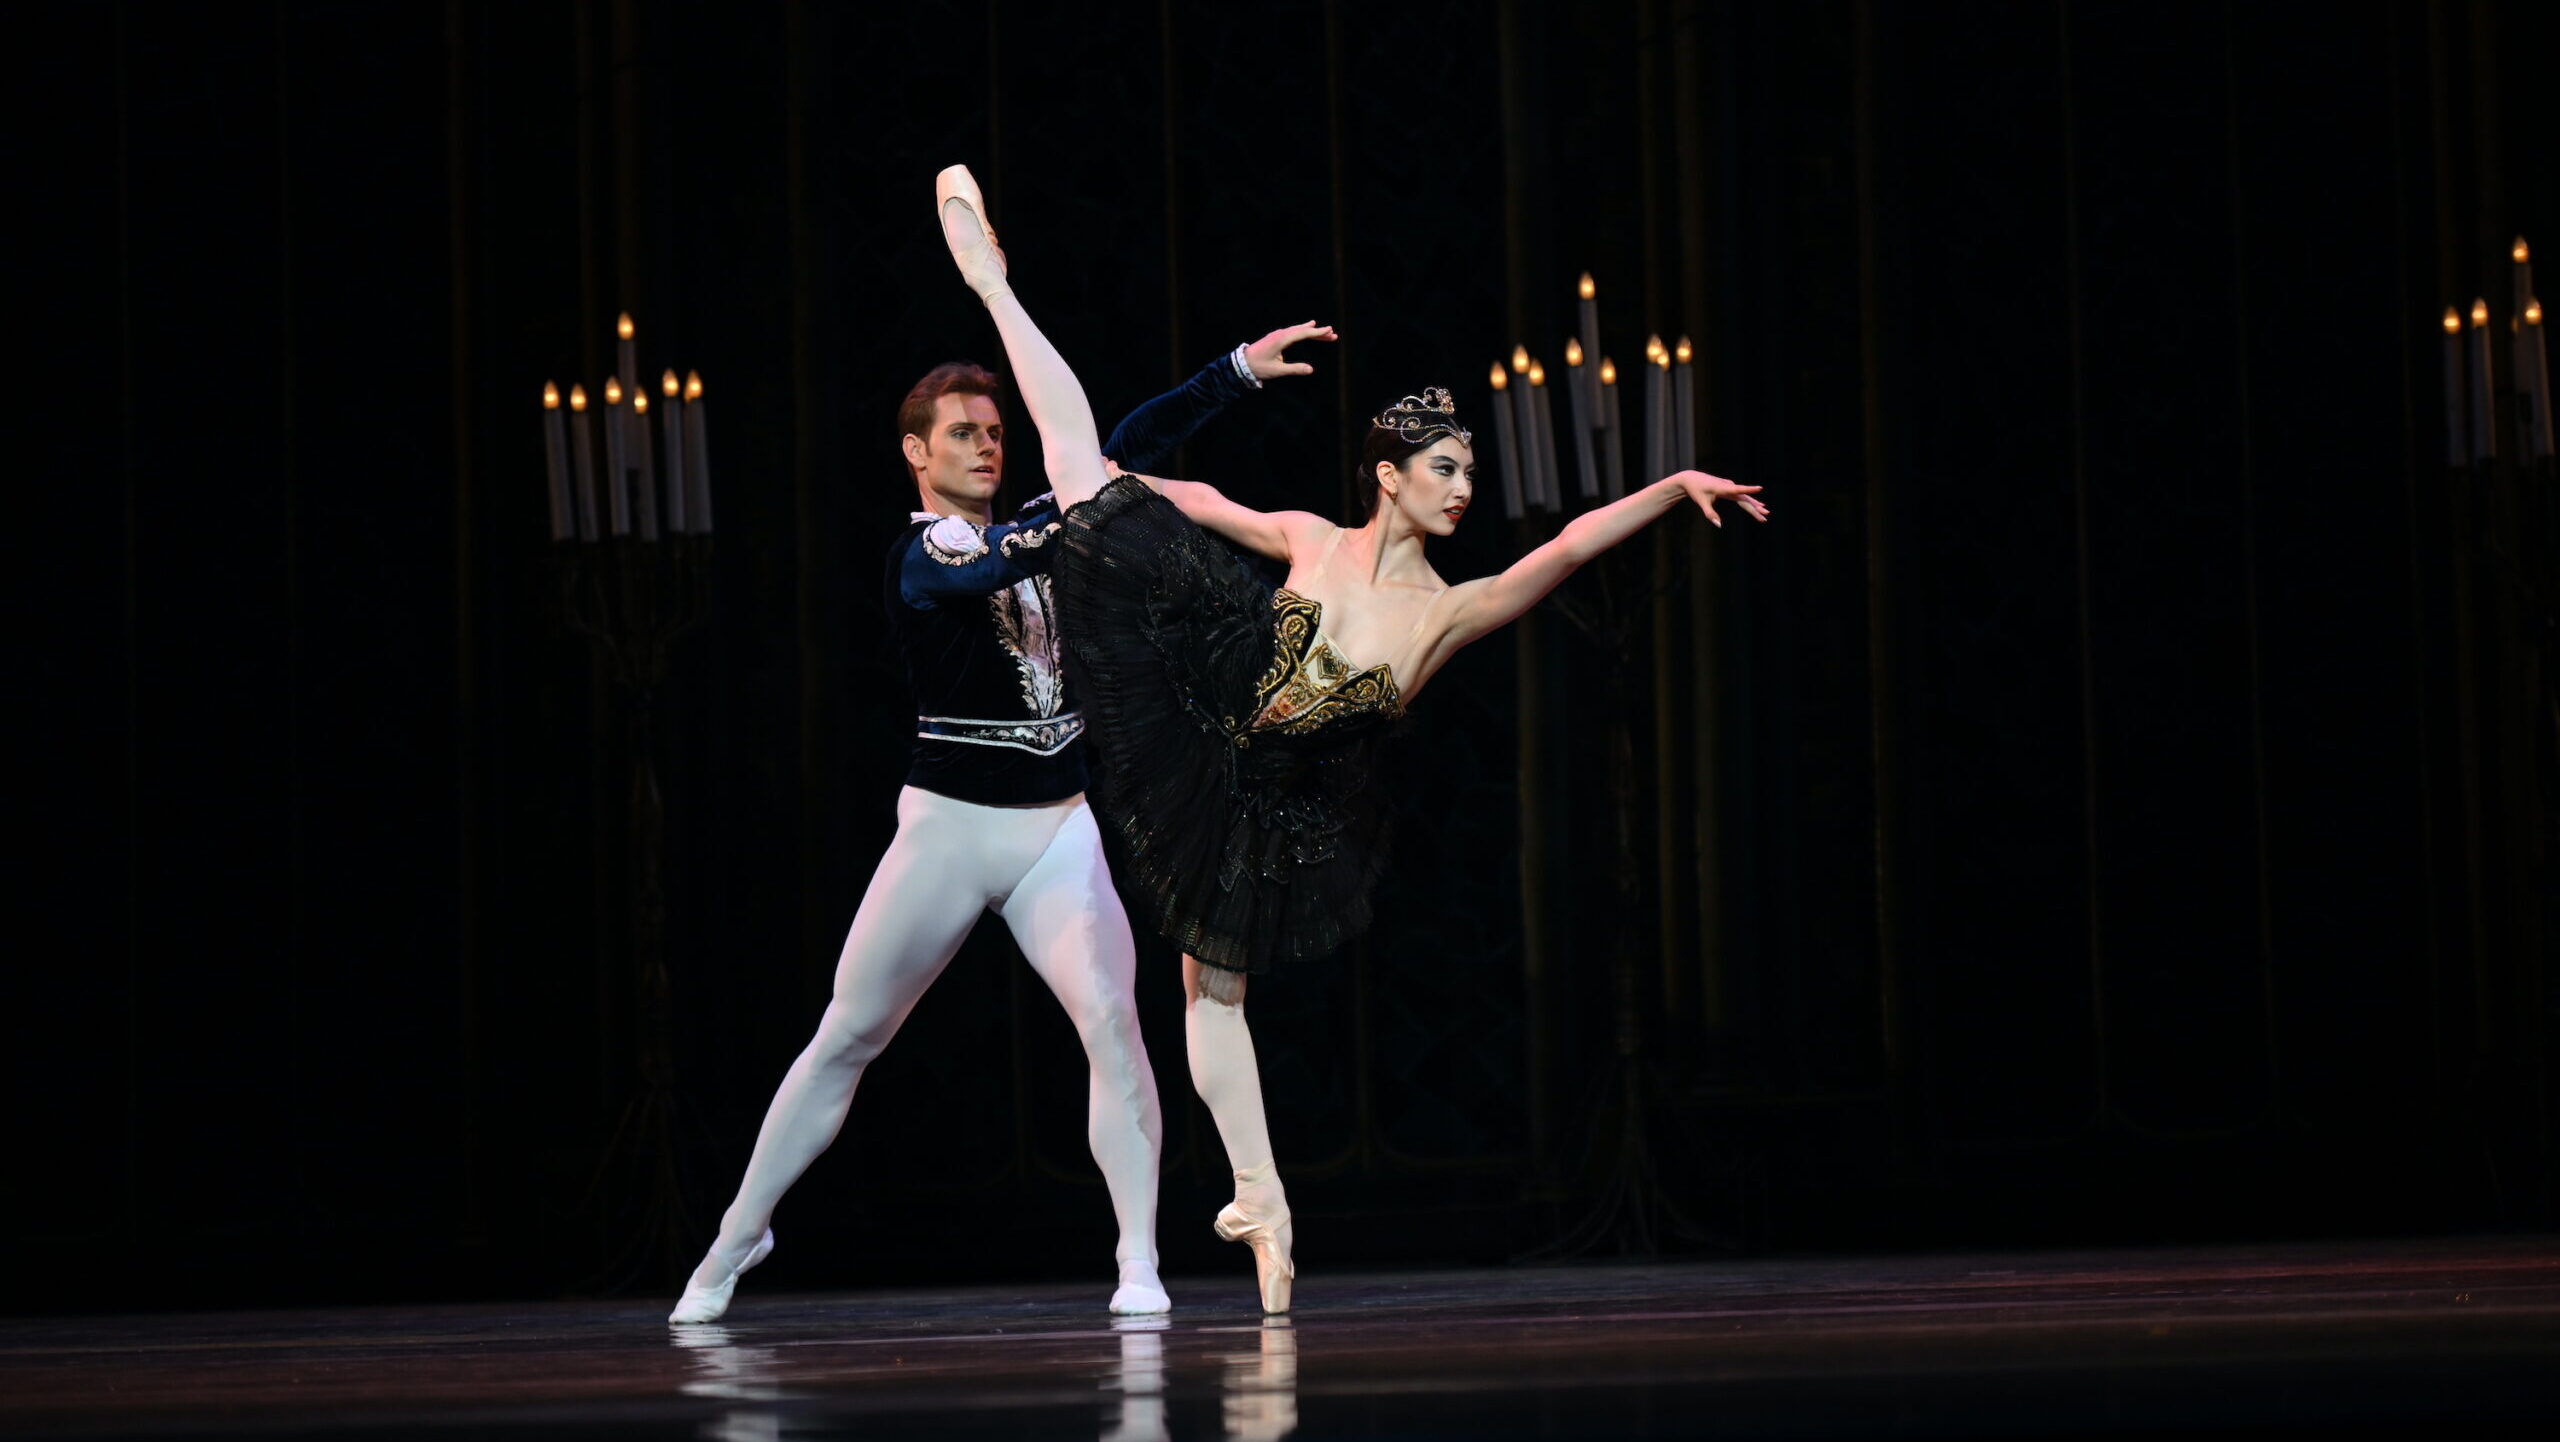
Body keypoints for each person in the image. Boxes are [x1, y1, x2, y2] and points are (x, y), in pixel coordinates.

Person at [932, 164, 1769, 1314]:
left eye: (1469, 470)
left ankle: (1261, 1201)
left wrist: (1670, 485)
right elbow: (1167, 482)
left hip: (1273, 795)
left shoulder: (1447, 612)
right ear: (1389, 476)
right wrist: (1123, 469)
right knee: (1089, 471)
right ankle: (994, 289)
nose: (1465, 487)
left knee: (1208, 989)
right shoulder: (1311, 538)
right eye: (1444, 468)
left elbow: (1568, 545)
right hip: (1205, 693)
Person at [670, 322, 1335, 1325]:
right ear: (916, 450)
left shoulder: (1035, 512)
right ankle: (735, 1237)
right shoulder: (919, 552)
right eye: (964, 432)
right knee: (849, 1032)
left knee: (1115, 1024)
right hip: (947, 831)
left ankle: (1137, 1259)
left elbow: (1130, 443)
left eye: (994, 429)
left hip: (1054, 830)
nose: (988, 443)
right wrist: (1084, 506)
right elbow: (993, 560)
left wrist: (1234, 371)